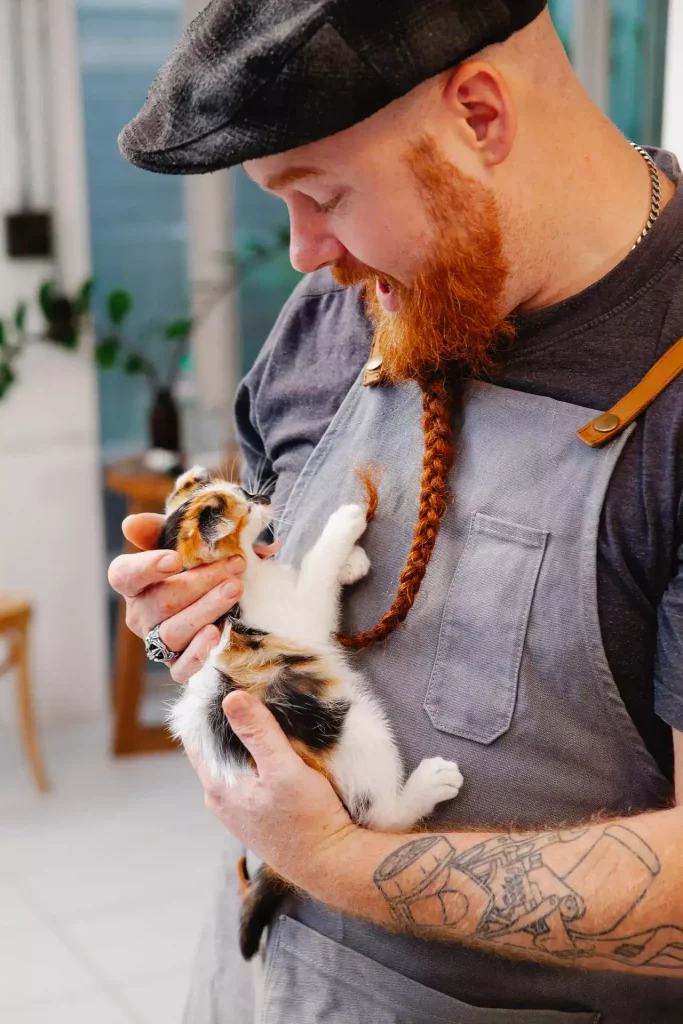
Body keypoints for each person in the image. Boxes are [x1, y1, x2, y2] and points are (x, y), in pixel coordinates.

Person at [109, 1, 683, 1020]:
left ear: (478, 114)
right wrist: (208, 610)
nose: (301, 254)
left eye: (321, 193)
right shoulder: (339, 314)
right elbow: (275, 571)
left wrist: (332, 859)